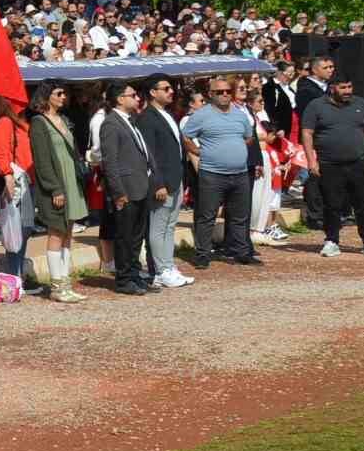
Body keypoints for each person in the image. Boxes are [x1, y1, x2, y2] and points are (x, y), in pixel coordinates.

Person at [182, 76, 262, 268]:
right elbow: (186, 136)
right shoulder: (201, 115)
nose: (225, 95)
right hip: (212, 174)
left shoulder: (239, 115)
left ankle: (241, 252)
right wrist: (198, 151)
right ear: (210, 95)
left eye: (228, 91)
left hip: (240, 173)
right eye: (219, 92)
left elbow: (249, 137)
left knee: (240, 216)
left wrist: (234, 147)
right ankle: (202, 254)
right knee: (207, 216)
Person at [301, 75, 364, 258]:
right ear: (332, 88)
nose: (348, 91)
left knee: (363, 204)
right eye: (343, 88)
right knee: (332, 204)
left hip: (358, 162)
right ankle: (331, 241)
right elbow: (307, 133)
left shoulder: (360, 103)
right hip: (329, 164)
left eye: (349, 87)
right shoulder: (316, 106)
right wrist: (311, 160)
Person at [99, 82, 163, 296]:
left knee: (136, 237)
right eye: (133, 95)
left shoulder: (130, 121)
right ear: (120, 99)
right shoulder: (110, 124)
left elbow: (144, 154)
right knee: (125, 236)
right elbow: (110, 162)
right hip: (126, 190)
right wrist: (118, 193)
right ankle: (124, 279)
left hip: (141, 187)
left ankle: (134, 275)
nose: (137, 98)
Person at [26, 83, 87, 303]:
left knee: (68, 232)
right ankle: (57, 286)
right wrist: (54, 188)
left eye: (64, 93)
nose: (63, 97)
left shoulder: (64, 120)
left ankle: (65, 280)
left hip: (71, 181)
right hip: (56, 185)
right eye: (58, 93)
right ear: (46, 96)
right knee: (56, 233)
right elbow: (42, 160)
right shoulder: (39, 122)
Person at [135, 75, 193, 290]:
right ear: (152, 92)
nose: (171, 92)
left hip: (175, 179)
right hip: (162, 183)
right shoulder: (147, 118)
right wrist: (157, 183)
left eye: (171, 88)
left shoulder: (167, 114)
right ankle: (160, 270)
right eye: (166, 88)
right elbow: (149, 155)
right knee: (158, 228)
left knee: (169, 226)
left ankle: (168, 266)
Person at [0, 95, 35, 284]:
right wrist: (7, 174)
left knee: (23, 229)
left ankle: (16, 276)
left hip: (26, 180)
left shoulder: (17, 122)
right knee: (16, 231)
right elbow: (1, 151)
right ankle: (14, 276)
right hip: (16, 183)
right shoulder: (5, 122)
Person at [294, 56, 335, 229]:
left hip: (330, 138)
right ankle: (314, 215)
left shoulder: (329, 87)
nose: (330, 70)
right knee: (314, 177)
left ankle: (331, 212)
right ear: (315, 70)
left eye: (332, 66)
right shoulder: (306, 90)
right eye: (326, 67)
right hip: (314, 138)